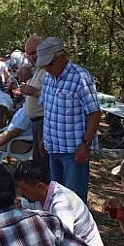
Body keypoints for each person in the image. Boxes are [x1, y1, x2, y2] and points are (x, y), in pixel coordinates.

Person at [32, 36, 101, 203]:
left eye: (49, 64)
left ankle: (77, 228)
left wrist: (86, 143)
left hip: (73, 150)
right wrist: (45, 138)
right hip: (53, 147)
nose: (46, 68)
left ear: (62, 57)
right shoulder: (48, 78)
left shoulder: (80, 77)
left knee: (74, 199)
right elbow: (49, 108)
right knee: (57, 197)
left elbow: (95, 112)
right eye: (44, 65)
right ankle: (60, 227)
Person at [14, 161, 105, 246]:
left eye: (23, 188)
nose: (20, 192)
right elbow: (17, 214)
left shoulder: (62, 204)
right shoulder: (34, 196)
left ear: (40, 186)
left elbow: (62, 242)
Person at [19, 36, 49, 176]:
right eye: (29, 54)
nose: (32, 56)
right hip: (36, 123)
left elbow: (55, 98)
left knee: (44, 163)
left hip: (45, 121)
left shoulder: (49, 71)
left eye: (34, 52)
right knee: (39, 161)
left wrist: (34, 92)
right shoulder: (38, 68)